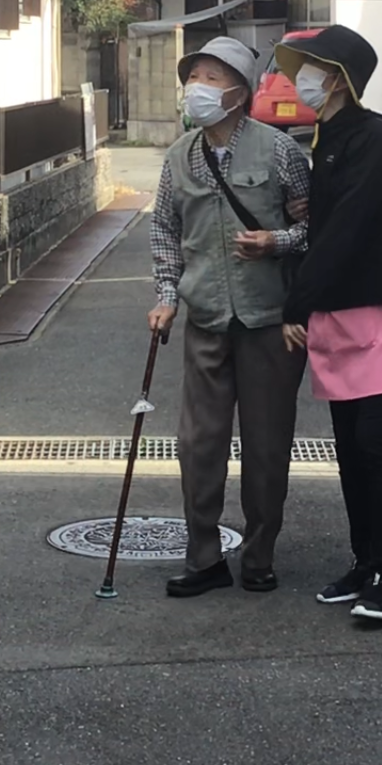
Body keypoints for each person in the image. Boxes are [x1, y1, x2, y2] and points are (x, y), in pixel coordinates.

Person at [273, 25, 382, 625]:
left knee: (374, 444)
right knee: (348, 447)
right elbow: (327, 221)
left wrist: (297, 304)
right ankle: (363, 562)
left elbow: (348, 225)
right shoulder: (325, 138)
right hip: (341, 310)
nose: (303, 80)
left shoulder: (372, 133)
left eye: (314, 69)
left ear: (339, 80)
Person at [148, 37, 312, 598]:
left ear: (240, 93)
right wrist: (167, 295)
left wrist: (276, 242)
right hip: (207, 316)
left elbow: (315, 227)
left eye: (211, 78)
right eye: (193, 77)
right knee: (198, 443)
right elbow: (165, 228)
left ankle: (260, 555)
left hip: (270, 321)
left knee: (267, 446)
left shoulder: (280, 151)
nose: (197, 88)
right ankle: (204, 556)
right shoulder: (179, 157)